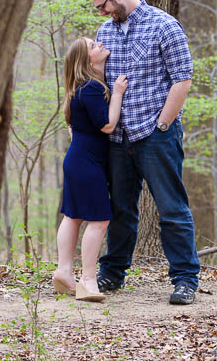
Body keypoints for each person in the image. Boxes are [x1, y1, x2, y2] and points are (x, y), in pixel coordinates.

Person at [87, 0, 200, 305]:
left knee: (171, 208)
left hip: (156, 136)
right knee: (120, 209)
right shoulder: (105, 32)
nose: (101, 12)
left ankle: (184, 279)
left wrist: (163, 126)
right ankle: (113, 272)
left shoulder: (164, 25)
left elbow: (182, 79)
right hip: (118, 140)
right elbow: (100, 83)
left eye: (102, 5)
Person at [53, 37, 127, 302]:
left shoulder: (77, 89)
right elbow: (107, 125)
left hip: (77, 159)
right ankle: (88, 280)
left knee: (72, 216)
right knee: (99, 219)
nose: (100, 44)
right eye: (93, 45)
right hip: (86, 162)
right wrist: (117, 93)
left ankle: (63, 271)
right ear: (87, 60)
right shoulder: (92, 88)